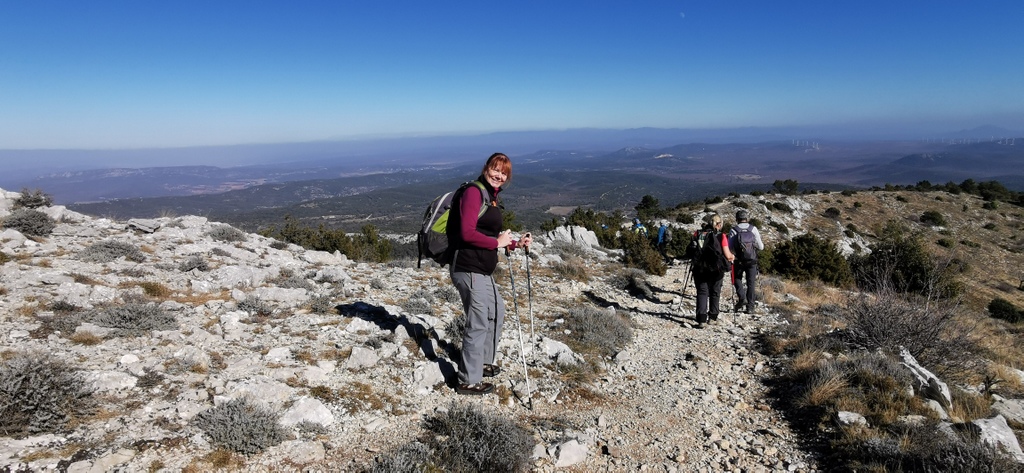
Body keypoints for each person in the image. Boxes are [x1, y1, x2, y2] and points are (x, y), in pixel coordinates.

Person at [446, 152, 532, 395]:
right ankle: (467, 380)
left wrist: (515, 244)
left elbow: (494, 238)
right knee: (479, 321)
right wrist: (497, 243)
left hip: (482, 269)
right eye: (496, 169)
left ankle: (482, 361)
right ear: (485, 168)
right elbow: (466, 233)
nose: (499, 175)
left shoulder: (490, 196)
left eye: (504, 173)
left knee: (496, 312)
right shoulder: (474, 192)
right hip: (468, 266)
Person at [688, 214, 734, 327]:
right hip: (716, 269)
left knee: (702, 292)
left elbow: (692, 250)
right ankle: (712, 317)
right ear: (719, 224)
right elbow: (728, 255)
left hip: (699, 267)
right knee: (715, 292)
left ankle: (701, 319)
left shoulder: (697, 233)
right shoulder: (721, 236)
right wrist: (732, 257)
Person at [728, 210, 764, 314]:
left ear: (737, 219)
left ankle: (742, 297)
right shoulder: (753, 229)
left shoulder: (734, 230)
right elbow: (761, 247)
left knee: (736, 279)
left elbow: (730, 248)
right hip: (752, 261)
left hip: (738, 261)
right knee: (751, 283)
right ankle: (750, 307)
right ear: (747, 219)